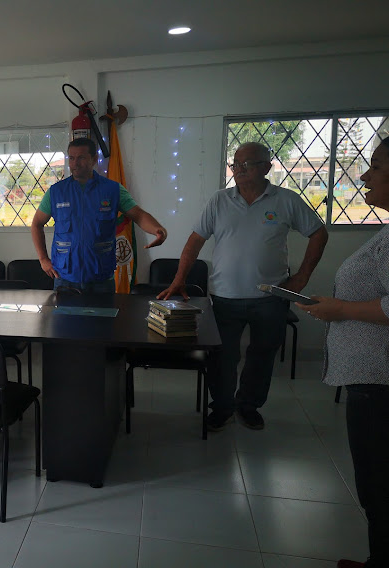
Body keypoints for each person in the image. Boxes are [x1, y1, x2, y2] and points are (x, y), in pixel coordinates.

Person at [159, 141, 328, 431]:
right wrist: (179, 278)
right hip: (225, 297)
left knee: (262, 355)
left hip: (270, 298)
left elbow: (319, 233)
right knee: (222, 357)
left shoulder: (285, 200)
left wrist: (301, 278)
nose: (238, 169)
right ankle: (222, 407)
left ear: (266, 168)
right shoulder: (220, 200)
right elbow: (195, 240)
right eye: (235, 164)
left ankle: (248, 406)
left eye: (245, 164)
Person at [298, 137, 389, 568]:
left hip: (380, 381)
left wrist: (341, 310)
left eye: (377, 167)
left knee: (379, 484)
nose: (365, 175)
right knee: (376, 483)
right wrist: (336, 308)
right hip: (370, 378)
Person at [31, 137, 167, 293]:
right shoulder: (56, 192)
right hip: (65, 278)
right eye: (72, 158)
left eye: (81, 158)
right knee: (63, 311)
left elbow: (139, 215)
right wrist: (43, 259)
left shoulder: (112, 190)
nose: (75, 163)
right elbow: (36, 224)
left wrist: (157, 229)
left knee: (105, 311)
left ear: (94, 159)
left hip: (101, 280)